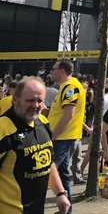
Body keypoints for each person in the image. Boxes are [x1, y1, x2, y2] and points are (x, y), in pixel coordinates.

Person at [0, 76, 71, 214]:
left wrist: (60, 193)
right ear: (15, 99)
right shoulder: (3, 129)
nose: (36, 105)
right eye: (30, 100)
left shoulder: (43, 123)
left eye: (40, 100)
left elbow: (48, 163)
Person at [47, 59, 86, 201]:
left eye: (53, 69)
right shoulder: (67, 86)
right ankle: (66, 207)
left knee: (47, 171)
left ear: (62, 71)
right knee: (63, 173)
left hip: (62, 137)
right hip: (63, 136)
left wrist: (53, 135)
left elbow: (69, 113)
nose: (51, 71)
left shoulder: (70, 87)